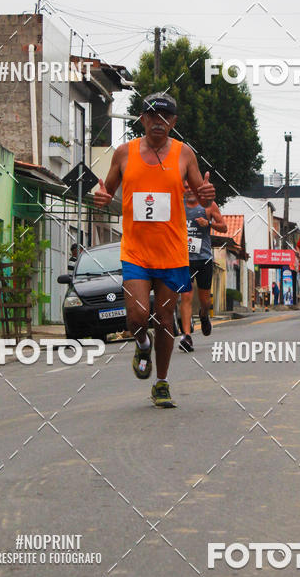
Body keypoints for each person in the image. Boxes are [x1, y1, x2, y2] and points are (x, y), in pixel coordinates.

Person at [94, 93, 215, 407]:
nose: (158, 122)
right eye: (151, 116)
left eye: (165, 117)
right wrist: (103, 198)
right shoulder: (123, 153)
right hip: (135, 250)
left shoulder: (184, 154)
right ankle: (141, 342)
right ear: (142, 119)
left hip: (173, 252)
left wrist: (205, 195)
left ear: (173, 122)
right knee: (137, 316)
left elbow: (201, 198)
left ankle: (161, 382)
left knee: (165, 318)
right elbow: (107, 190)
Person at [179, 180, 227, 352]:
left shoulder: (209, 205)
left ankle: (204, 315)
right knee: (186, 295)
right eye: (185, 187)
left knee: (205, 301)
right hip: (183, 259)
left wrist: (209, 224)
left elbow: (224, 227)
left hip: (204, 258)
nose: (188, 190)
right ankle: (186, 336)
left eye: (191, 187)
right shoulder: (177, 204)